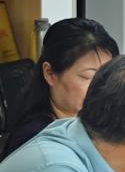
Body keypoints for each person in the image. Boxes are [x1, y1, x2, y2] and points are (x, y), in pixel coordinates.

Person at [1, 18, 118, 161]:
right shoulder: (37, 140)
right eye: (88, 77)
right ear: (50, 74)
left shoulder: (95, 124)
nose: (102, 87)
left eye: (106, 76)